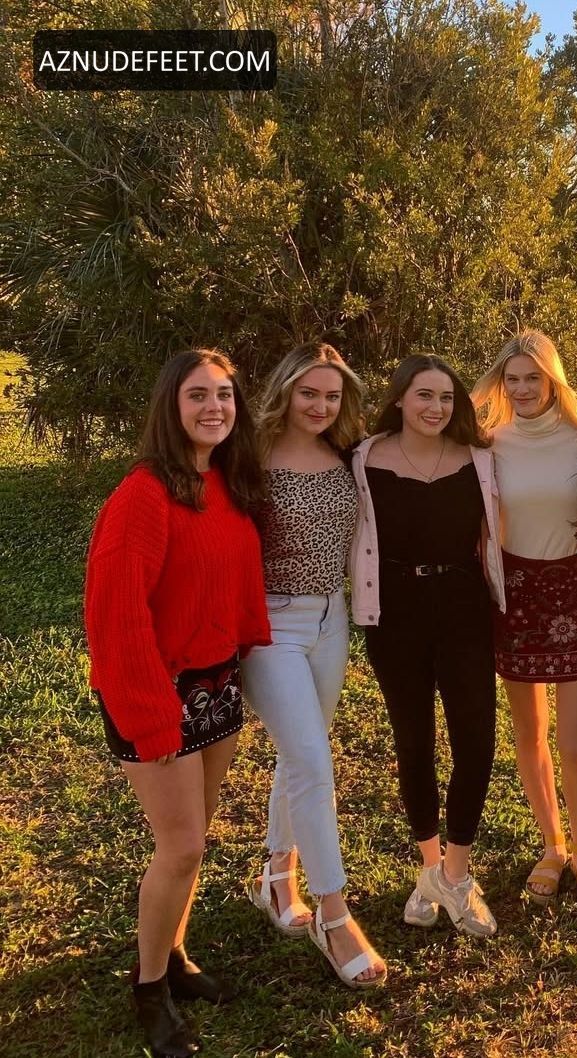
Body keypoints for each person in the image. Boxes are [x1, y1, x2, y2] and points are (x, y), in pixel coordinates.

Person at [85, 349, 271, 1058]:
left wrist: (242, 644)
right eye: (198, 395)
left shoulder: (222, 483)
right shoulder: (143, 495)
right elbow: (116, 617)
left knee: (197, 837)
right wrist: (152, 717)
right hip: (156, 693)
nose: (214, 407)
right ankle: (149, 988)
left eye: (224, 394)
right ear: (171, 405)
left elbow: (231, 572)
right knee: (182, 845)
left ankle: (176, 953)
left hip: (215, 684)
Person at [241, 341, 386, 988]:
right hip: (270, 624)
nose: (321, 405)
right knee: (313, 763)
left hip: (332, 619)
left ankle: (277, 875)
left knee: (302, 754)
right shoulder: (248, 457)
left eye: (331, 395)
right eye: (309, 393)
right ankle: (334, 913)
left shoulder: (347, 452)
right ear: (286, 390)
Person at [350, 354, 505, 937]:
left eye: (446, 397)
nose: (436, 407)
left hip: (465, 608)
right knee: (413, 741)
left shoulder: (480, 458)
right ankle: (429, 868)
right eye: (424, 395)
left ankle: (454, 875)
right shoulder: (363, 458)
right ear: (399, 399)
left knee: (476, 740)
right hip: (394, 614)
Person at [472, 331, 577, 914]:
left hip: (574, 590)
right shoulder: (489, 443)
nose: (524, 389)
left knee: (574, 740)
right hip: (516, 591)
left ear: (553, 380)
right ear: (502, 383)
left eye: (534, 378)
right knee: (529, 734)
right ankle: (552, 846)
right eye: (513, 379)